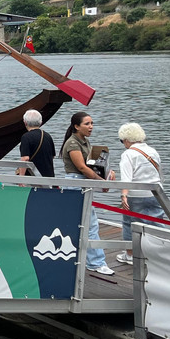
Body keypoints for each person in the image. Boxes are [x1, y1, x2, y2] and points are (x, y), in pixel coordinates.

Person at [60, 111, 114, 275]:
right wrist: (101, 181)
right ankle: (96, 262)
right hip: (77, 183)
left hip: (84, 182)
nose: (91, 127)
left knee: (83, 224)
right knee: (90, 224)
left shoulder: (85, 142)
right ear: (76, 126)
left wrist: (106, 174)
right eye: (87, 124)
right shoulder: (73, 144)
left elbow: (91, 167)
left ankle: (78, 257)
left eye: (92, 123)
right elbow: (82, 167)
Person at [116, 122, 166, 265]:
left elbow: (126, 179)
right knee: (156, 222)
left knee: (129, 223)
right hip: (155, 193)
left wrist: (123, 195)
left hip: (136, 195)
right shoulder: (152, 151)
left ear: (126, 139)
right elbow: (160, 174)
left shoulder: (128, 154)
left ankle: (130, 255)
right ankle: (161, 253)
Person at [16, 108, 55, 177]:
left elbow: (25, 159)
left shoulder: (26, 137)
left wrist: (21, 178)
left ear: (25, 123)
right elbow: (52, 156)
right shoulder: (47, 136)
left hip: (34, 177)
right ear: (41, 122)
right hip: (49, 176)